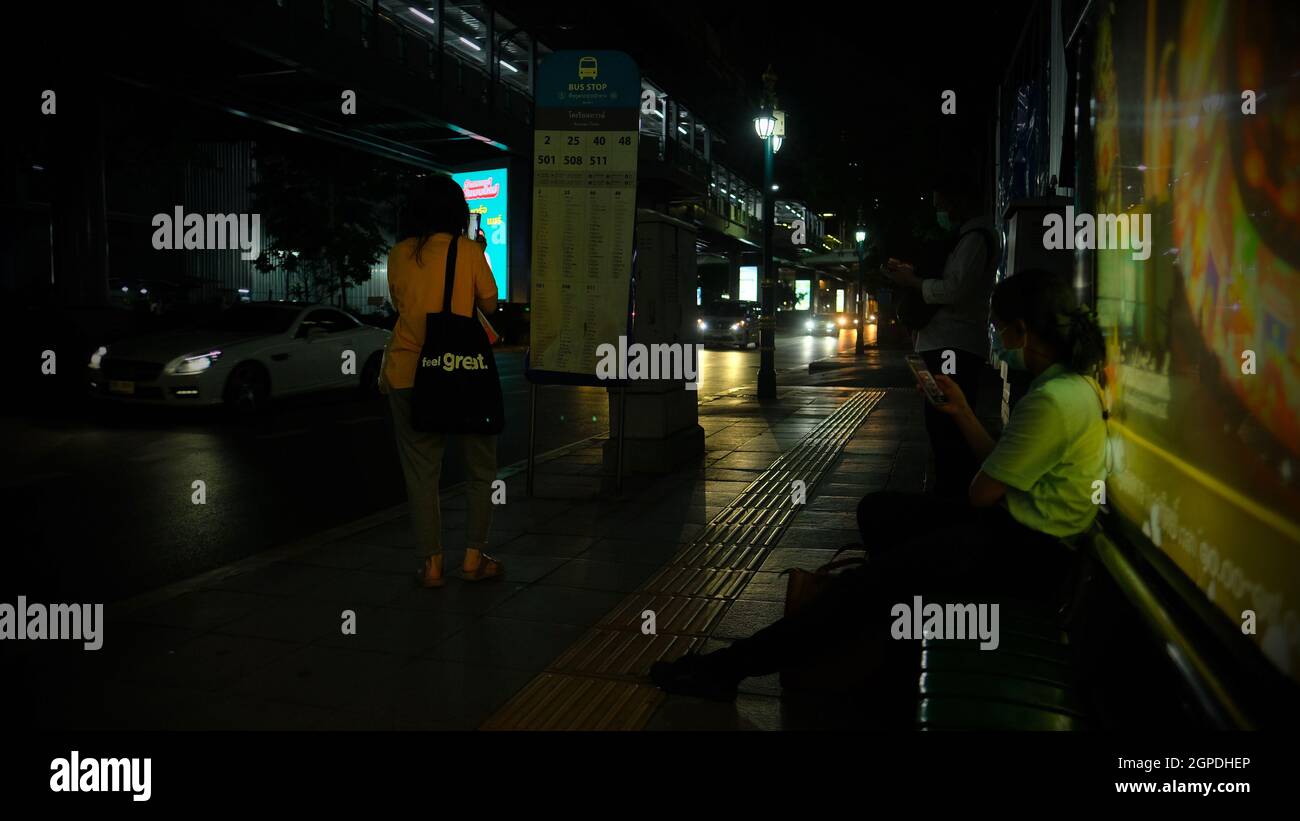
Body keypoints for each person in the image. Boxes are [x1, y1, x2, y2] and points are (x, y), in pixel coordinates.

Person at [650, 268, 1108, 701]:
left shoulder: (1050, 399)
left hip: (1023, 552)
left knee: (865, 585)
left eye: (1001, 328)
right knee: (878, 512)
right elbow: (1002, 471)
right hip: (1030, 539)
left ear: (1024, 331)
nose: (999, 340)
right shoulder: (1073, 386)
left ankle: (728, 667)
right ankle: (883, 621)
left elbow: (981, 492)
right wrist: (963, 412)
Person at [379, 175, 504, 587]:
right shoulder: (468, 251)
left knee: (421, 474)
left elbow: (402, 305)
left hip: (407, 372)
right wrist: (475, 261)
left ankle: (431, 565)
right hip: (462, 372)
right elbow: (489, 302)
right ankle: (473, 558)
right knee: (480, 468)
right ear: (457, 212)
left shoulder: (398, 255)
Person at [884, 168, 999, 497]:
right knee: (942, 427)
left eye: (942, 204)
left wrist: (913, 282)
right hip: (944, 345)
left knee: (948, 430)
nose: (940, 212)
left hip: (954, 348)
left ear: (959, 202)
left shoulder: (976, 239)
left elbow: (953, 290)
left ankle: (953, 499)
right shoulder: (969, 237)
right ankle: (950, 496)